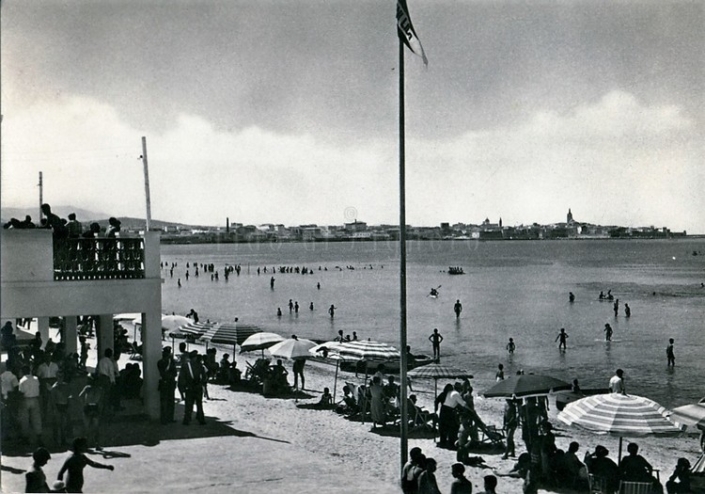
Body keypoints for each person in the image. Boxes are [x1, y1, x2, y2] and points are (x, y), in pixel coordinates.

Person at [180, 350, 207, 425]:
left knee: (188, 404)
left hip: (189, 387)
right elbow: (204, 377)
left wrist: (182, 389)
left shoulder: (185, 366)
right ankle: (201, 418)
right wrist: (202, 384)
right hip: (198, 387)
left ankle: (187, 419)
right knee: (199, 403)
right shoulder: (200, 365)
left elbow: (182, 378)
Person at [18, 365, 43, 446]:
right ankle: (39, 437)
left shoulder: (22, 380)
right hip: (35, 399)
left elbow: (21, 392)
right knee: (36, 419)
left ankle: (25, 438)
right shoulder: (36, 379)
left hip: (26, 399)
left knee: (25, 419)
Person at [79, 374, 103, 449]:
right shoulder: (99, 389)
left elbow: (80, 396)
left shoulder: (88, 388)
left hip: (89, 406)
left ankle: (86, 444)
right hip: (94, 406)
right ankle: (97, 444)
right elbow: (100, 400)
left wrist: (84, 404)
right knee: (95, 427)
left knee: (87, 427)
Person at [157, 346, 177, 424]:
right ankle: (169, 418)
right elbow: (174, 373)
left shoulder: (160, 362)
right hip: (169, 382)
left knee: (165, 401)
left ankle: (165, 418)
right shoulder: (169, 362)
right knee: (169, 401)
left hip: (165, 383)